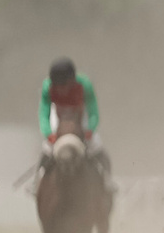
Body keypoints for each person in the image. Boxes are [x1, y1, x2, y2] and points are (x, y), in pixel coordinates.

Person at [39, 57, 114, 195]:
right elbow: (44, 114)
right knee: (47, 150)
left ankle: (108, 182)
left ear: (72, 81)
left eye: (64, 85)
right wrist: (49, 134)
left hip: (80, 116)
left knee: (96, 146)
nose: (61, 90)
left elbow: (93, 112)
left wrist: (90, 130)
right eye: (58, 86)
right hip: (58, 116)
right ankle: (37, 184)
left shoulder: (84, 84)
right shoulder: (47, 87)